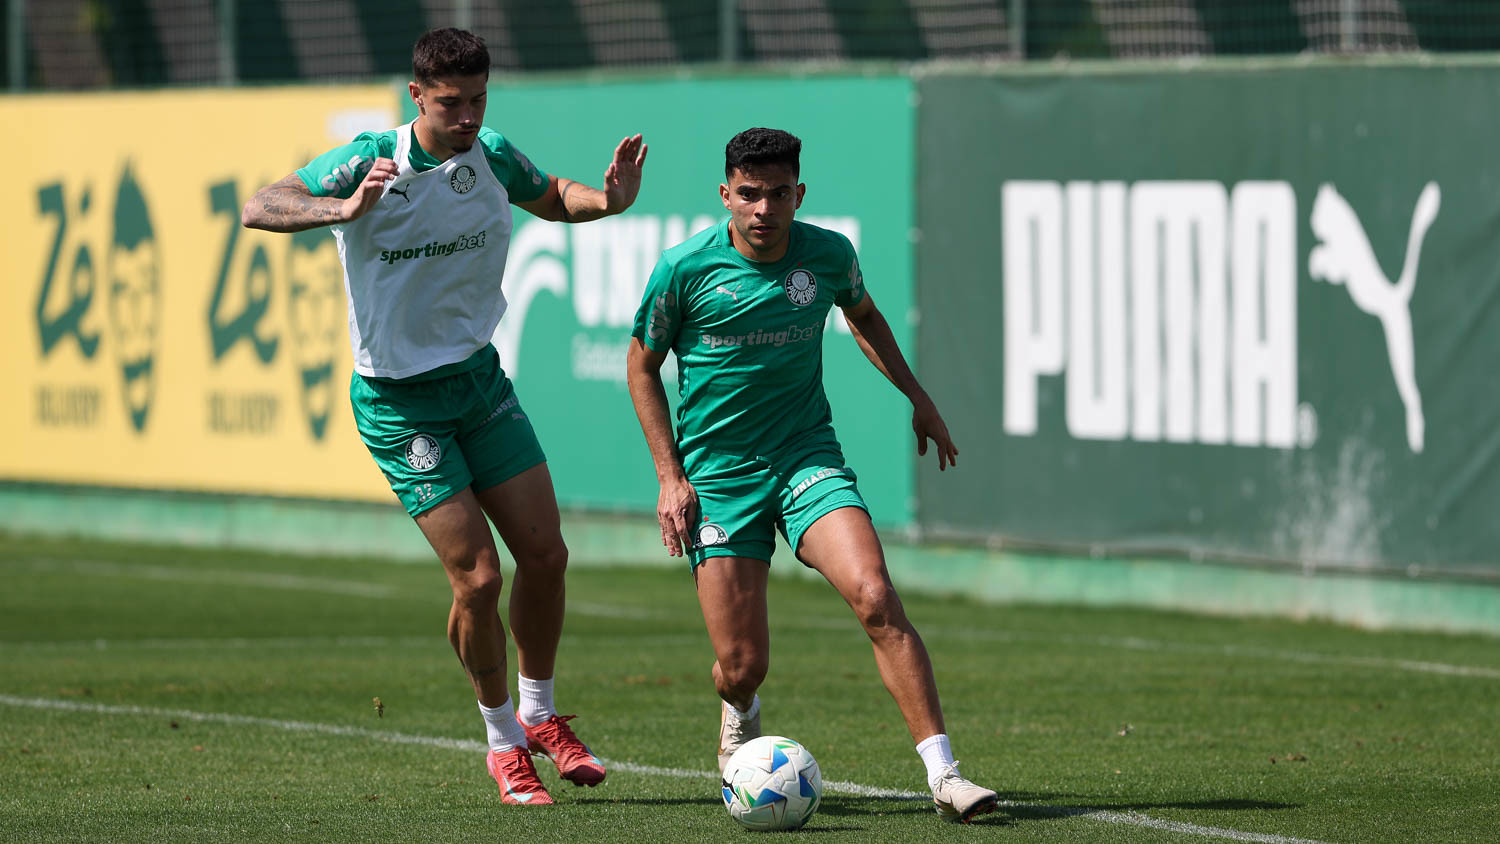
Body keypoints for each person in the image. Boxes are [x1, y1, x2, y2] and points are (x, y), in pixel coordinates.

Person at [242, 27, 647, 807]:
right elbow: (262, 205)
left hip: (479, 383)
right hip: (400, 404)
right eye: (452, 102)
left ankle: (540, 716)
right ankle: (503, 744)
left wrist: (610, 201)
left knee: (548, 557)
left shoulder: (488, 152)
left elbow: (555, 195)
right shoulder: (370, 157)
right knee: (479, 577)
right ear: (417, 94)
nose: (466, 117)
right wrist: (342, 205)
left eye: (479, 100)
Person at [625, 127, 998, 823]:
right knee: (742, 665)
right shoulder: (684, 270)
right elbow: (641, 366)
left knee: (876, 595)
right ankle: (740, 708)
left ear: (799, 194)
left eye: (778, 194)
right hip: (719, 476)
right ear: (726, 195)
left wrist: (919, 399)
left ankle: (945, 775)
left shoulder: (827, 254)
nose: (764, 209)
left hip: (806, 456)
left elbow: (865, 317)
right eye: (749, 194)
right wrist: (670, 477)